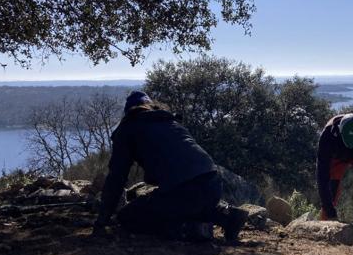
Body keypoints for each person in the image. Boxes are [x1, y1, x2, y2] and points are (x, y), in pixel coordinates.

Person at [93, 91, 248, 241]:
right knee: (186, 204)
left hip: (184, 190)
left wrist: (103, 218)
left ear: (128, 112)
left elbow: (117, 176)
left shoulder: (128, 129)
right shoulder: (169, 121)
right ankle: (228, 216)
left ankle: (190, 230)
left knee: (128, 216)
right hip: (213, 184)